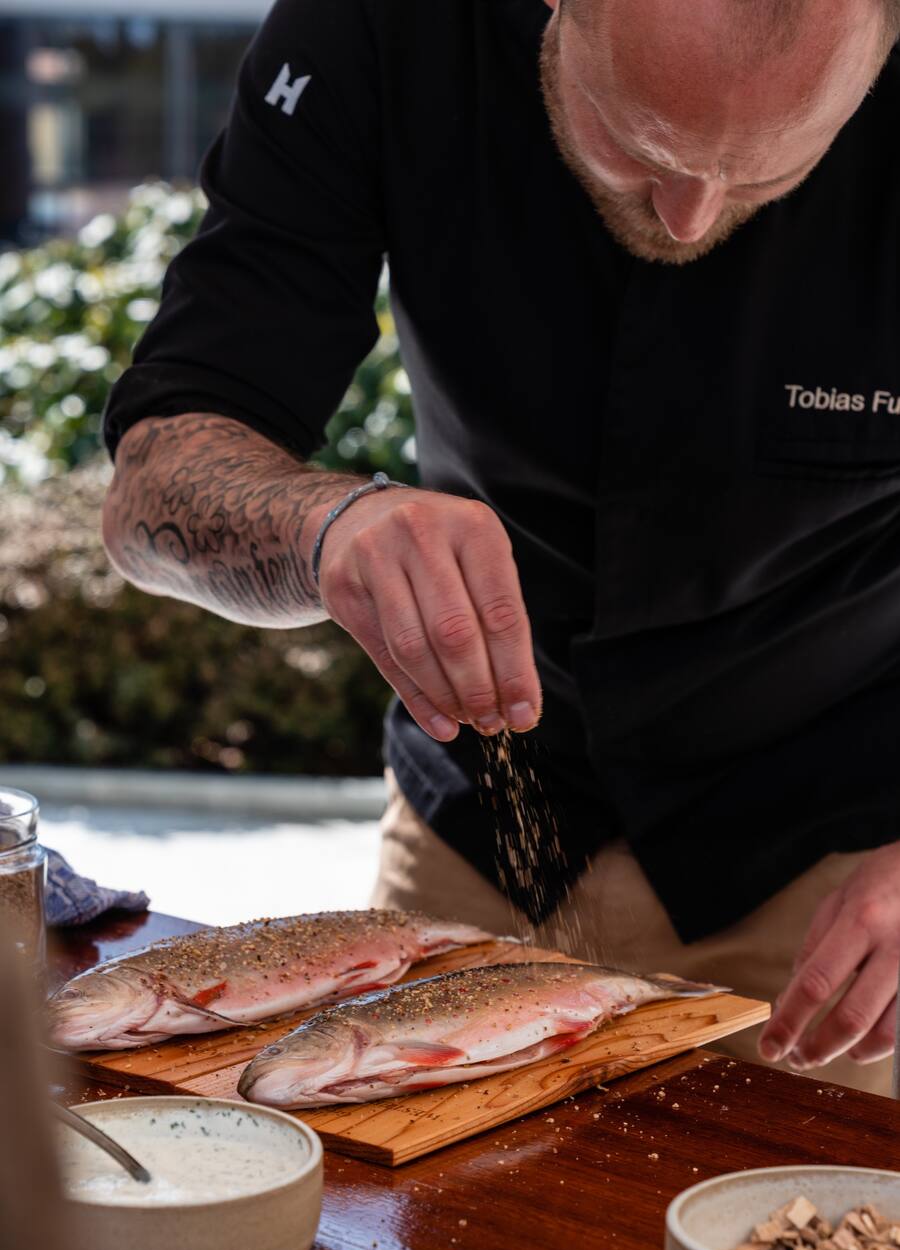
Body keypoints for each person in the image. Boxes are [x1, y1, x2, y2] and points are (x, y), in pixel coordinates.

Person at [101, 0, 900, 1094]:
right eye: (637, 145)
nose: (687, 218)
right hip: (482, 832)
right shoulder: (383, 25)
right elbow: (156, 474)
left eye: (769, 171)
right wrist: (323, 527)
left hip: (835, 872)